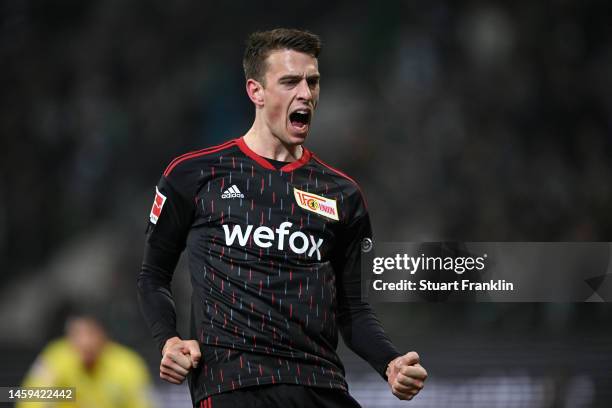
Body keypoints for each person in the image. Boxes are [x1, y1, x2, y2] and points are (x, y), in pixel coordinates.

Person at [137, 28, 427, 407]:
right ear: (255, 91)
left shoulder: (343, 194)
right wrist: (169, 341)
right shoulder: (193, 175)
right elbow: (153, 277)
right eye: (290, 81)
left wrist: (389, 362)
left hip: (320, 384)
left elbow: (352, 309)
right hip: (234, 385)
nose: (305, 93)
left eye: (313, 81)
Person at [18, 314, 154, 408]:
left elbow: (142, 404)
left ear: (103, 335)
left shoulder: (127, 365)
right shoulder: (56, 359)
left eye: (90, 334)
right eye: (78, 335)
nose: (85, 342)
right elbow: (30, 400)